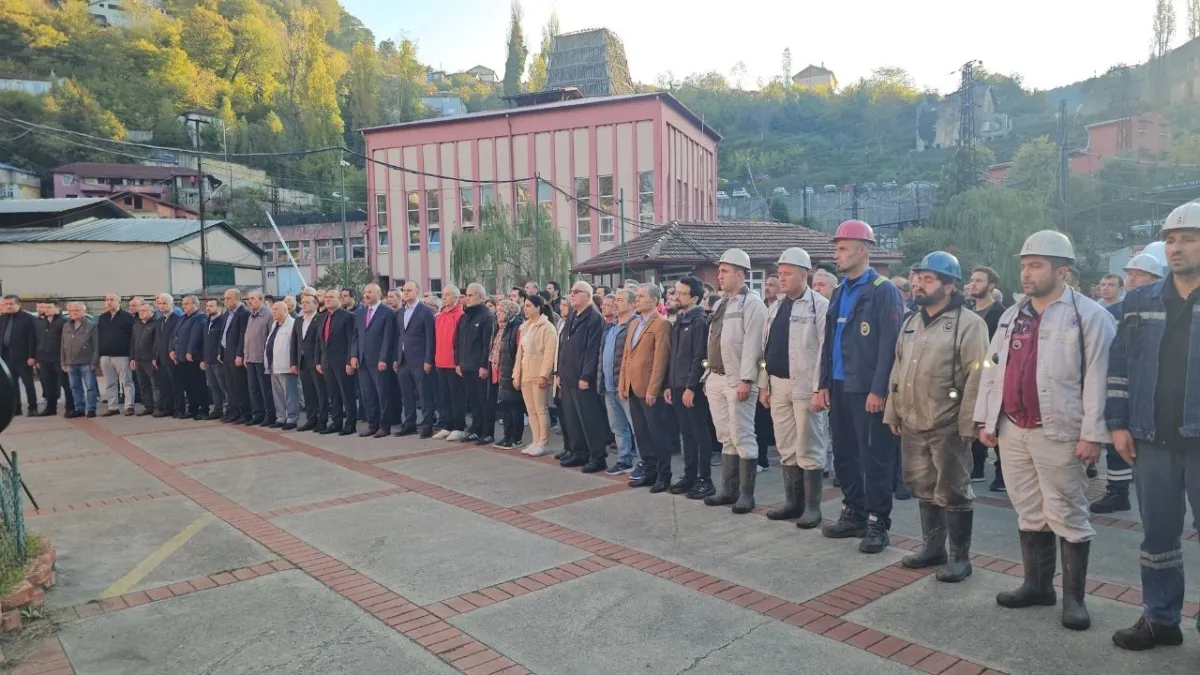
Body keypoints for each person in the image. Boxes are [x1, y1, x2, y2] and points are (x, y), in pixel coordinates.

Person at [974, 230, 1116, 632]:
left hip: (1060, 430)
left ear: (1062, 271)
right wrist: (986, 418)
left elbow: (1100, 379)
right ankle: (1037, 586)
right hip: (1012, 428)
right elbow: (991, 369)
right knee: (1028, 510)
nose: (1026, 273)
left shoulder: (1089, 316)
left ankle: (1074, 599)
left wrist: (1092, 434)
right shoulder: (1011, 315)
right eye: (1023, 265)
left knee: (1068, 513)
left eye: (1036, 265)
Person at [1105, 203, 1200, 650]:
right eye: (1171, 240)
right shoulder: (1139, 301)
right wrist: (1118, 423)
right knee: (1157, 535)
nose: (1176, 247)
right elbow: (1119, 366)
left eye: (1189, 239)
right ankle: (1160, 619)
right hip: (1152, 439)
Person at [884, 251, 989, 583]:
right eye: (918, 278)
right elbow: (898, 368)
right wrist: (892, 410)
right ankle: (933, 549)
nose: (918, 284)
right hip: (913, 420)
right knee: (923, 486)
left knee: (954, 490)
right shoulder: (911, 322)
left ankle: (960, 558)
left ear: (949, 286)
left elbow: (978, 375)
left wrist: (969, 423)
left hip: (948, 424)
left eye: (928, 279)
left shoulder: (969, 324)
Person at [816, 220, 905, 553]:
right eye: (836, 248)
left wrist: (879, 390)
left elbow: (890, 345)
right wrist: (823, 383)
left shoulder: (884, 290)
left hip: (866, 389)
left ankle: (877, 521)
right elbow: (829, 342)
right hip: (840, 385)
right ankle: (853, 511)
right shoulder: (840, 291)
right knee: (844, 454)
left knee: (875, 458)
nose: (836, 255)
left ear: (863, 250)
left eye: (842, 248)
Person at [1090, 253, 1166, 515]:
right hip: (1116, 380)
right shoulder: (1115, 308)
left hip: (1145, 387)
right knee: (1116, 435)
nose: (1132, 279)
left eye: (1139, 274)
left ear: (1155, 279)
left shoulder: (1160, 307)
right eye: (1129, 274)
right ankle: (1118, 490)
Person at [761, 248, 829, 529]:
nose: (782, 278)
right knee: (786, 446)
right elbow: (765, 349)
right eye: (780, 273)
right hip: (778, 385)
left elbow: (825, 350)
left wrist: (820, 388)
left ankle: (812, 507)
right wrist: (763, 385)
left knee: (809, 446)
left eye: (788, 273)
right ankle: (793, 502)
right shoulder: (775, 307)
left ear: (805, 274)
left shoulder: (819, 306)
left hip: (805, 386)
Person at [702, 248, 768, 514]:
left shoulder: (753, 304)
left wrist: (746, 379)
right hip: (716, 378)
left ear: (740, 274)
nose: (719, 276)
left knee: (742, 435)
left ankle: (746, 495)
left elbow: (754, 345)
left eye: (724, 271)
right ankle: (728, 491)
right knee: (725, 436)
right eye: (719, 271)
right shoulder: (721, 303)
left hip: (737, 380)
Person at [664, 277, 718, 499]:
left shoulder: (699, 321)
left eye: (681, 293)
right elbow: (673, 356)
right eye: (675, 292)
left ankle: (704, 479)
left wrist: (691, 387)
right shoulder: (680, 320)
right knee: (686, 433)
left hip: (690, 387)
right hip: (676, 384)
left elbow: (699, 356)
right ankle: (689, 475)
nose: (676, 297)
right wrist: (669, 384)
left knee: (699, 433)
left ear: (694, 298)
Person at [620, 283, 674, 488]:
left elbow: (661, 359)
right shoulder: (634, 324)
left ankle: (664, 475)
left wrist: (653, 389)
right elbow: (627, 356)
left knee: (657, 433)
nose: (637, 300)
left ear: (654, 300)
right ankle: (649, 471)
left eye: (641, 296)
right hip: (633, 387)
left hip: (650, 389)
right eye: (637, 296)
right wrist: (623, 384)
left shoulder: (661, 324)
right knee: (641, 433)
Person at [557, 281, 608, 472]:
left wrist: (586, 376)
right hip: (568, 375)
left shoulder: (594, 318)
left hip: (582, 378)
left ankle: (597, 457)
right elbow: (564, 346)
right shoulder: (573, 316)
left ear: (587, 295)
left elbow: (592, 350)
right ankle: (579, 452)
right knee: (573, 419)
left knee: (589, 419)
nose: (572, 294)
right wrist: (559, 372)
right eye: (571, 291)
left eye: (576, 292)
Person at [965, 265, 1007, 491]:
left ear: (991, 286)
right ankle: (977, 467)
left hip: (993, 375)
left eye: (979, 280)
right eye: (972, 280)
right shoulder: (967, 312)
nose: (973, 284)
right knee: (974, 420)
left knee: (996, 425)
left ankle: (1002, 473)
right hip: (970, 375)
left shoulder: (1001, 314)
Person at [514, 296, 558, 456]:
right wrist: (516, 374)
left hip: (538, 373)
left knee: (541, 409)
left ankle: (543, 442)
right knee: (531, 410)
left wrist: (544, 375)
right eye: (524, 306)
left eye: (528, 306)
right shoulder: (525, 327)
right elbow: (520, 354)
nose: (525, 308)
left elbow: (549, 354)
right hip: (526, 373)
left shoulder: (547, 327)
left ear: (538, 307)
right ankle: (535, 440)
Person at [599, 292, 636, 474]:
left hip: (625, 386)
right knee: (618, 427)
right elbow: (602, 355)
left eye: (620, 300)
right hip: (609, 385)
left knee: (636, 426)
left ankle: (644, 462)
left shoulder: (634, 325)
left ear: (632, 304)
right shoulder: (611, 327)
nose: (615, 304)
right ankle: (624, 459)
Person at [395, 281, 436, 438]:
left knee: (423, 394)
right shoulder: (400, 312)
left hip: (419, 360)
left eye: (409, 290)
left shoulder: (425, 312)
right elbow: (399, 336)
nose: (406, 293)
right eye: (404, 290)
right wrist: (396, 358)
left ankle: (427, 425)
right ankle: (409, 423)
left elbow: (430, 338)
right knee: (406, 395)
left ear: (417, 291)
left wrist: (428, 360)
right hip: (403, 360)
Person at [354, 283, 395, 438]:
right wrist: (353, 355)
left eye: (370, 292)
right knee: (368, 394)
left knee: (382, 394)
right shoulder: (360, 312)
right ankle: (372, 424)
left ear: (379, 294)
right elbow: (356, 336)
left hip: (379, 361)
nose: (366, 294)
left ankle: (384, 426)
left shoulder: (387, 313)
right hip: (363, 360)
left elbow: (388, 338)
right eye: (365, 292)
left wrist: (383, 358)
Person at [458, 283, 497, 444]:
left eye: (471, 295)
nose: (467, 298)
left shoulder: (487, 316)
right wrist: (459, 362)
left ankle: (488, 433)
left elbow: (487, 343)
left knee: (484, 401)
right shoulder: (465, 317)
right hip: (466, 365)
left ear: (481, 297)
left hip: (479, 367)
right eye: (466, 295)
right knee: (473, 401)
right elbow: (459, 342)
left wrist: (484, 365)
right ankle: (476, 429)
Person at [318, 288, 358, 436]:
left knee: (347, 394)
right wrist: (319, 361)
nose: (327, 299)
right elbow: (320, 342)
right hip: (327, 361)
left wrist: (349, 361)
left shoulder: (348, 317)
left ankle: (350, 424)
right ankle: (336, 422)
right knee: (333, 394)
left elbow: (351, 341)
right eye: (326, 297)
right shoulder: (322, 317)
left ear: (340, 300)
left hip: (342, 362)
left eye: (331, 297)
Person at [433, 286, 467, 440]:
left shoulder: (461, 315)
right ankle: (448, 426)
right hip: (440, 362)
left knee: (456, 397)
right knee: (444, 397)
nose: (444, 297)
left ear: (456, 298)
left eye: (448, 295)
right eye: (443, 294)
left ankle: (459, 427)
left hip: (454, 363)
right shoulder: (439, 316)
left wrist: (459, 362)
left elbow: (462, 342)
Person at [491, 299, 525, 448]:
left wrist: (516, 374)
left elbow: (518, 353)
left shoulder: (517, 328)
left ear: (509, 312)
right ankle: (507, 435)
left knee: (514, 407)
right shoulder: (503, 328)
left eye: (501, 311)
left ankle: (516, 438)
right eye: (497, 311)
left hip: (511, 372)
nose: (498, 314)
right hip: (502, 372)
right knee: (505, 406)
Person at [97, 293, 136, 416]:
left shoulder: (127, 317)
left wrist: (132, 356)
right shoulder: (102, 318)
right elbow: (99, 336)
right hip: (105, 356)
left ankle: (129, 406)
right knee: (110, 383)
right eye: (107, 299)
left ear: (119, 301)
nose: (109, 302)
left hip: (122, 356)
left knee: (127, 382)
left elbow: (133, 338)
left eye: (112, 299)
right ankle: (113, 407)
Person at [61, 302, 100, 418]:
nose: (74, 312)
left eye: (77, 310)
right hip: (71, 362)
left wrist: (94, 361)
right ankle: (79, 408)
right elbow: (62, 345)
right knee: (74, 387)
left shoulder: (91, 325)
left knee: (90, 387)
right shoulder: (66, 325)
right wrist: (63, 362)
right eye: (72, 310)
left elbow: (96, 345)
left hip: (86, 362)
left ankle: (91, 408)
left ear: (83, 311)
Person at [34, 299, 72, 416]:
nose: (46, 310)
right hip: (44, 359)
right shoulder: (41, 322)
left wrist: (66, 358)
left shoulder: (64, 322)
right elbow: (37, 340)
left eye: (49, 307)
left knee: (66, 384)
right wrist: (37, 358)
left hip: (59, 358)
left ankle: (70, 407)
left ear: (57, 308)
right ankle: (51, 408)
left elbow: (68, 342)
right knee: (48, 384)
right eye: (45, 307)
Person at [239, 291, 273, 426]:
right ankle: (258, 414)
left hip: (262, 359)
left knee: (265, 389)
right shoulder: (251, 316)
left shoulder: (268, 315)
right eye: (249, 299)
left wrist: (268, 358)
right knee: (254, 389)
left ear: (261, 300)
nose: (249, 301)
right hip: (250, 359)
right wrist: (245, 355)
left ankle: (270, 415)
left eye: (253, 298)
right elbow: (247, 337)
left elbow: (271, 338)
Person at [172, 295, 209, 420]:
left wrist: (190, 351)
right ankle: (193, 409)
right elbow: (175, 334)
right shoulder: (183, 318)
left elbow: (195, 336)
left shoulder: (200, 317)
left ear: (195, 304)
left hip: (193, 357)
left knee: (198, 384)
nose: (184, 306)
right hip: (181, 357)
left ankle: (204, 409)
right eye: (183, 304)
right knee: (188, 385)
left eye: (187, 303)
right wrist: (172, 349)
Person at [0, 295, 37, 417]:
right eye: (6, 304)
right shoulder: (3, 318)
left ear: (18, 304)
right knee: (12, 385)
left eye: (11, 304)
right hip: (6, 356)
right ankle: (16, 408)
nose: (8, 306)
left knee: (28, 383)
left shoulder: (28, 318)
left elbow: (32, 338)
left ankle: (32, 407)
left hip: (23, 357)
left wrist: (32, 356)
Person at [266, 301, 300, 430]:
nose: (273, 312)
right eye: (272, 309)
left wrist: (293, 363)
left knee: (290, 394)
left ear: (285, 310)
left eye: (276, 309)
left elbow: (295, 346)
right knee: (278, 394)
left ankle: (292, 418)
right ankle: (281, 417)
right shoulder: (275, 324)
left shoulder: (292, 324)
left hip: (287, 365)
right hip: (274, 364)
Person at [295, 293, 327, 432]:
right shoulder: (299, 320)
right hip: (302, 362)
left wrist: (319, 361)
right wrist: (294, 362)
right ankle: (311, 418)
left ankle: (322, 420)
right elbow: (295, 342)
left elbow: (321, 343)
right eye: (302, 302)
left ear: (316, 304)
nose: (304, 304)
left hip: (316, 361)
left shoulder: (321, 319)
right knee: (308, 392)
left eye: (307, 302)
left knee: (320, 392)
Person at [220, 289, 251, 424]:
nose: (225, 301)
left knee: (240, 386)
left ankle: (244, 413)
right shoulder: (227, 314)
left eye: (228, 298)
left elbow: (243, 336)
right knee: (230, 386)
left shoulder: (243, 313)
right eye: (225, 299)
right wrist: (220, 352)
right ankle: (233, 411)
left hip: (236, 355)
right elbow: (223, 334)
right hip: (226, 354)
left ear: (237, 298)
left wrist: (240, 354)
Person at [153, 294, 184, 418]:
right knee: (164, 385)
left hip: (172, 357)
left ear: (172, 304)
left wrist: (175, 353)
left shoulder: (177, 319)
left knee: (176, 385)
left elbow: (177, 338)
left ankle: (179, 409)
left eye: (164, 303)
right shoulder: (160, 321)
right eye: (159, 303)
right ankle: (167, 408)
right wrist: (155, 357)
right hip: (161, 358)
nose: (161, 306)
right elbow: (157, 341)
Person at [130, 302, 158, 417]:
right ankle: (148, 406)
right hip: (139, 359)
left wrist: (155, 358)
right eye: (140, 311)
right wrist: (133, 358)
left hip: (150, 360)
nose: (141, 313)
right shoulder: (137, 325)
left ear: (152, 312)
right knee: (143, 384)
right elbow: (133, 343)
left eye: (144, 311)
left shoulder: (156, 324)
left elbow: (157, 343)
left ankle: (159, 406)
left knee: (155, 384)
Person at [201, 298, 227, 420]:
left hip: (218, 361)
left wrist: (220, 355)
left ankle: (230, 409)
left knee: (224, 387)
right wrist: (203, 359)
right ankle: (218, 410)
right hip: (208, 360)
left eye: (211, 306)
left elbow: (222, 342)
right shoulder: (206, 322)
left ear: (219, 307)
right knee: (213, 387)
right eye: (207, 306)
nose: (208, 308)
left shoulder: (222, 321)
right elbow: (204, 342)